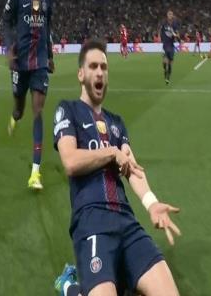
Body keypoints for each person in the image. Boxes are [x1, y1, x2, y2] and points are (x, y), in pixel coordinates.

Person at [53, 39, 181, 296]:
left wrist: (151, 203)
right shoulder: (68, 110)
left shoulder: (117, 123)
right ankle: (70, 286)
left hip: (127, 221)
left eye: (104, 67)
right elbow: (70, 161)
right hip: (92, 223)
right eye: (93, 66)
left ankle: (118, 280)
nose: (100, 72)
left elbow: (132, 168)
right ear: (81, 74)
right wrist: (111, 152)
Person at [3, 0, 55, 190]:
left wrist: (50, 55)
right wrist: (9, 47)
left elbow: (49, 26)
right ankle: (14, 119)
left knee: (38, 111)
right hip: (20, 62)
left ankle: (35, 172)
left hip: (40, 63)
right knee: (19, 110)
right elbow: (6, 19)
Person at [160, 10, 180, 85]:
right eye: (169, 14)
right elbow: (160, 30)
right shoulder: (164, 23)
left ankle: (168, 77)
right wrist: (159, 37)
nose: (170, 15)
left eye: (171, 14)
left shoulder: (175, 25)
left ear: (172, 15)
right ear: (167, 15)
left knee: (170, 64)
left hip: (171, 46)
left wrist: (177, 36)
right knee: (164, 62)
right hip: (165, 45)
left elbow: (177, 34)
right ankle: (165, 70)